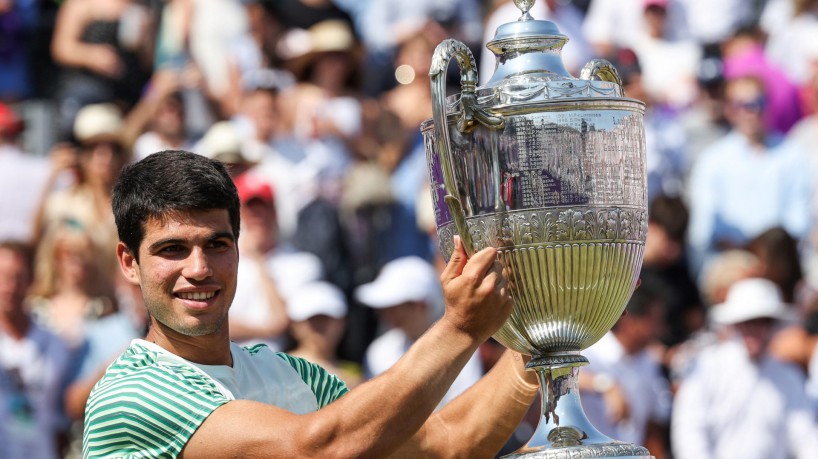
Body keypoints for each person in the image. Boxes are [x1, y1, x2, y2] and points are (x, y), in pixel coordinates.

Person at [83, 150, 539, 458]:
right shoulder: (130, 395)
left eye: (217, 244)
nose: (199, 268)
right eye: (172, 249)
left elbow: (445, 444)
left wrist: (544, 333)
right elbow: (316, 449)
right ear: (128, 262)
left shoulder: (294, 374)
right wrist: (459, 328)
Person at [671, 278, 818, 459]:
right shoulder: (707, 368)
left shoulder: (789, 377)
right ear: (736, 325)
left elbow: (804, 436)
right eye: (748, 322)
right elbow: (690, 431)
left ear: (772, 326)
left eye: (763, 322)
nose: (756, 330)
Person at [356, 256, 484, 409]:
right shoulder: (379, 351)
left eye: (394, 306)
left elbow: (464, 409)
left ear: (420, 305)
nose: (386, 314)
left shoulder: (462, 347)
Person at [579, 283, 671, 457]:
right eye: (654, 320)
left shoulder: (649, 361)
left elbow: (653, 426)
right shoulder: (589, 347)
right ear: (630, 322)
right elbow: (560, 378)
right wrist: (607, 386)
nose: (661, 328)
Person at [0, 240, 72, 459]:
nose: (9, 287)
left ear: (31, 280)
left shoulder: (54, 344)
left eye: (17, 278)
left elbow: (61, 418)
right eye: (3, 277)